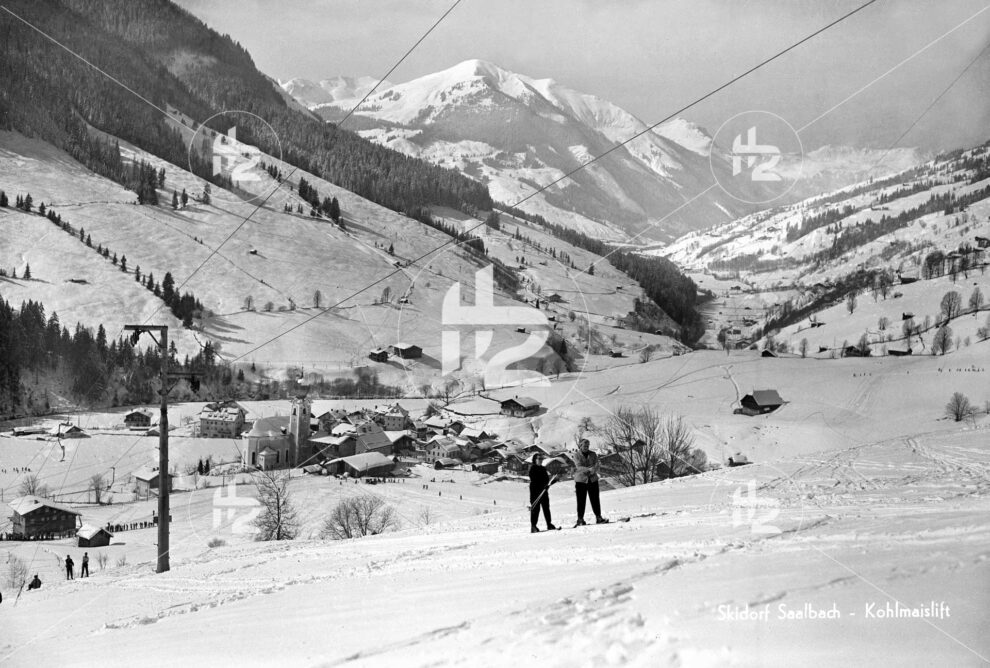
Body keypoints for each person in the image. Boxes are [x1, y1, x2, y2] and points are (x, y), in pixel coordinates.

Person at [574, 439, 608, 525]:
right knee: (581, 501)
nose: (586, 447)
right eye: (584, 446)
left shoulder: (593, 454)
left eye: (587, 446)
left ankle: (598, 517)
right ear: (580, 446)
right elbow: (578, 467)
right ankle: (580, 519)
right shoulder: (576, 455)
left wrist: (593, 470)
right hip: (581, 481)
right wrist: (589, 469)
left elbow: (597, 464)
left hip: (593, 480)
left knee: (595, 499)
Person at [528, 454, 556, 533]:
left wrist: (549, 483)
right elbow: (534, 480)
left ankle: (549, 524)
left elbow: (546, 479)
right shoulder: (532, 469)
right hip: (535, 493)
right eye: (539, 459)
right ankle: (533, 526)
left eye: (541, 459)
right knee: (535, 509)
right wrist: (543, 486)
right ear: (535, 460)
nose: (540, 460)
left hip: (544, 492)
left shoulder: (543, 468)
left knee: (546, 508)